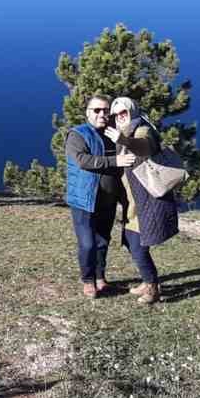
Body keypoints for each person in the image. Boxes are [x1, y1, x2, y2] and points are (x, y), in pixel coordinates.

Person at [64, 95, 137, 298]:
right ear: (88, 112)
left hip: (108, 199)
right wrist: (116, 160)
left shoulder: (112, 133)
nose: (102, 114)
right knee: (87, 243)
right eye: (97, 110)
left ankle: (100, 278)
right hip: (85, 200)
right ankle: (88, 280)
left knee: (103, 241)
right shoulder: (77, 134)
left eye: (106, 111)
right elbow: (82, 160)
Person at [110, 97, 179, 305]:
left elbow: (144, 148)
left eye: (124, 112)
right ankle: (148, 280)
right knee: (132, 243)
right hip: (134, 202)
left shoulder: (141, 129)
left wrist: (123, 140)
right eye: (116, 114)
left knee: (138, 246)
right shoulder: (129, 129)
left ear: (132, 111)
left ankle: (152, 288)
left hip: (147, 200)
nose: (120, 117)